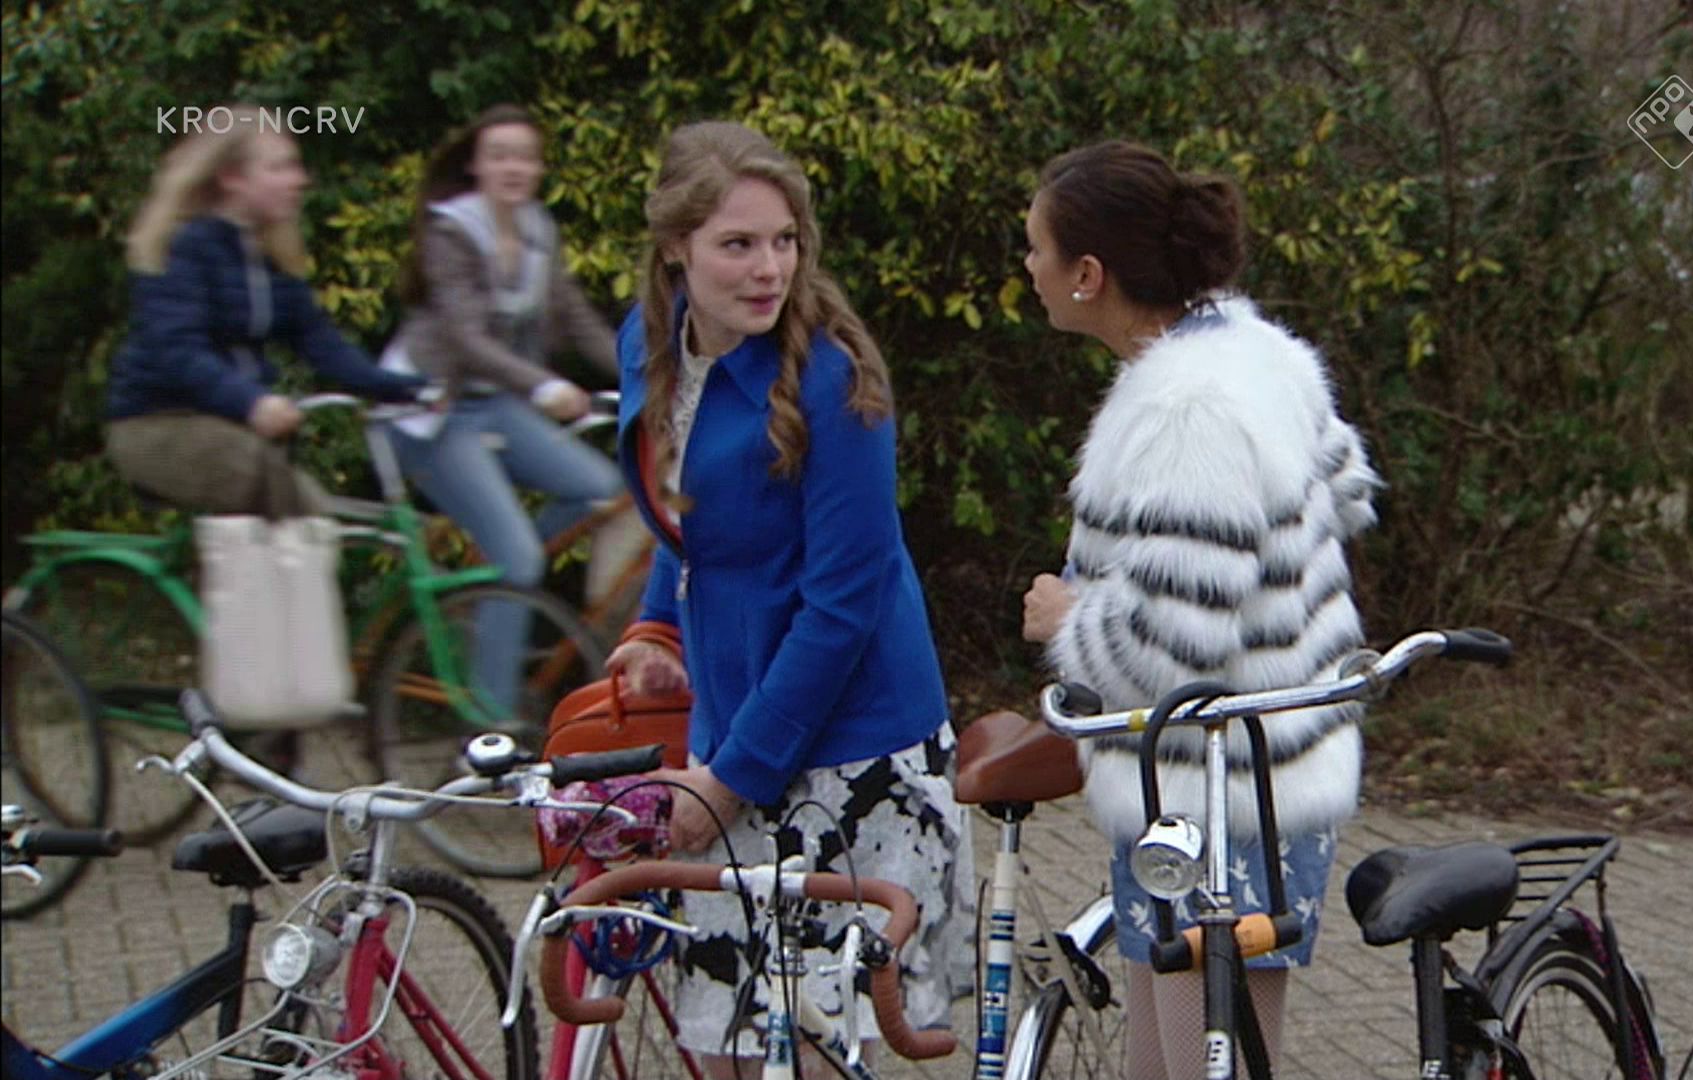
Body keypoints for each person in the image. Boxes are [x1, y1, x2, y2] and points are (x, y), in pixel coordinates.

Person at [604, 120, 971, 1075]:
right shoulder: (648, 345)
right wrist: (656, 627)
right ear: (676, 247)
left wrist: (729, 779)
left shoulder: (835, 378)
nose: (769, 268)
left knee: (805, 1054)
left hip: (853, 746)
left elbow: (844, 606)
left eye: (784, 241)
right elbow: (687, 516)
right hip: (735, 732)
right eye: (738, 244)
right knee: (725, 1047)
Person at [1018, 141, 1380, 1080]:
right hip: (1225, 782)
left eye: (1037, 248)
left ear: (1088, 274)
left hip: (1221, 799)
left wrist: (1068, 620)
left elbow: (1175, 639)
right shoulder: (1257, 358)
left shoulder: (1189, 409)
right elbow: (1346, 494)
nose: (1028, 267)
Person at [383, 104, 624, 722]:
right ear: (475, 165)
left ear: (540, 167)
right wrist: (544, 386)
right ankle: (489, 723)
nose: (514, 168)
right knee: (518, 557)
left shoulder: (538, 230)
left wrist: (646, 375)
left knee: (601, 489)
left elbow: (575, 318)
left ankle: (495, 586)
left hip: (493, 405)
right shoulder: (452, 233)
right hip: (431, 413)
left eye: (525, 156)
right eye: (500, 156)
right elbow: (466, 338)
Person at [105, 105, 425, 518]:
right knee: (299, 511)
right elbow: (178, 352)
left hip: (231, 426)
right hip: (159, 423)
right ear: (232, 177)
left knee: (313, 517)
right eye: (279, 168)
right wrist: (252, 402)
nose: (299, 180)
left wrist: (406, 389)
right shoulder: (185, 247)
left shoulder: (268, 257)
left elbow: (320, 342)